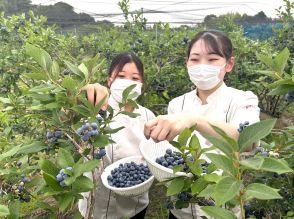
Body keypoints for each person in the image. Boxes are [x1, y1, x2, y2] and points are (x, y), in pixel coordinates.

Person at [144, 30, 260, 219]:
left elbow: (246, 139)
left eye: (212, 59)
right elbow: (173, 153)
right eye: (195, 59)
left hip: (223, 210)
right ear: (187, 63)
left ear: (229, 64)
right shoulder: (177, 104)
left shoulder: (243, 99)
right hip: (181, 208)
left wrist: (194, 119)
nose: (202, 66)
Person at [78, 52, 155, 219]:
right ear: (109, 81)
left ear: (141, 84)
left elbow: (154, 154)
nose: (128, 82)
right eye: (121, 76)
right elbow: (66, 116)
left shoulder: (148, 116)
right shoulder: (96, 110)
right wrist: (81, 94)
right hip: (96, 205)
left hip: (135, 204)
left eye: (135, 78)